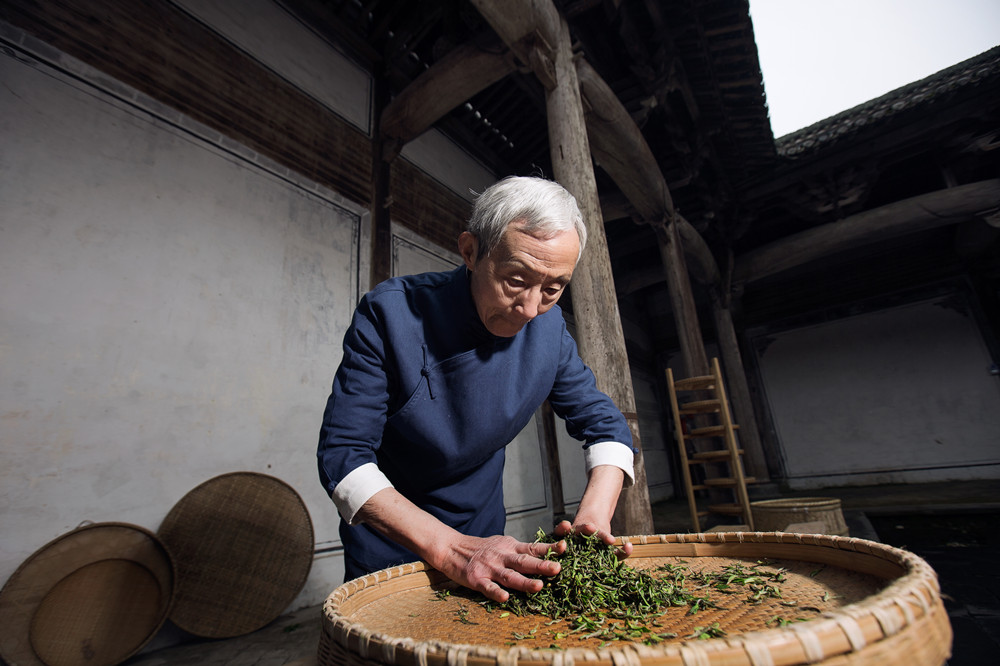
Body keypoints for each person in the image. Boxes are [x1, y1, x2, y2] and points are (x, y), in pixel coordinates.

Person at [317, 175, 636, 602]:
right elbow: (344, 457)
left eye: (553, 289)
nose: (529, 309)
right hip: (392, 548)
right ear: (470, 251)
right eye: (516, 280)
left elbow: (605, 425)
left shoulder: (549, 329)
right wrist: (451, 550)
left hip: (488, 547)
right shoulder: (390, 315)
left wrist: (593, 519)